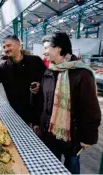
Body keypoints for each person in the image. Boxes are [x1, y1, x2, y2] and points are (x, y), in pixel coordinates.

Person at [36, 32, 101, 174]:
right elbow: (46, 101)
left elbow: (90, 110)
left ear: (58, 48)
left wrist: (87, 138)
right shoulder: (50, 71)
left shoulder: (81, 74)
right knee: (52, 167)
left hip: (73, 136)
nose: (43, 52)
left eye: (46, 48)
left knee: (71, 167)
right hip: (50, 132)